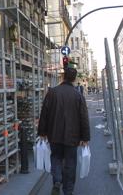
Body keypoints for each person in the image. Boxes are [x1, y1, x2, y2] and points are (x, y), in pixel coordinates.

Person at [38, 67, 90, 195]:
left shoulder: (52, 92)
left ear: (63, 77)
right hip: (72, 137)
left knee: (55, 158)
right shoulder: (78, 95)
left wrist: (42, 132)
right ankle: (68, 190)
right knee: (70, 163)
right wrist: (85, 137)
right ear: (74, 79)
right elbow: (84, 117)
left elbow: (44, 113)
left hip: (54, 134)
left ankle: (57, 181)